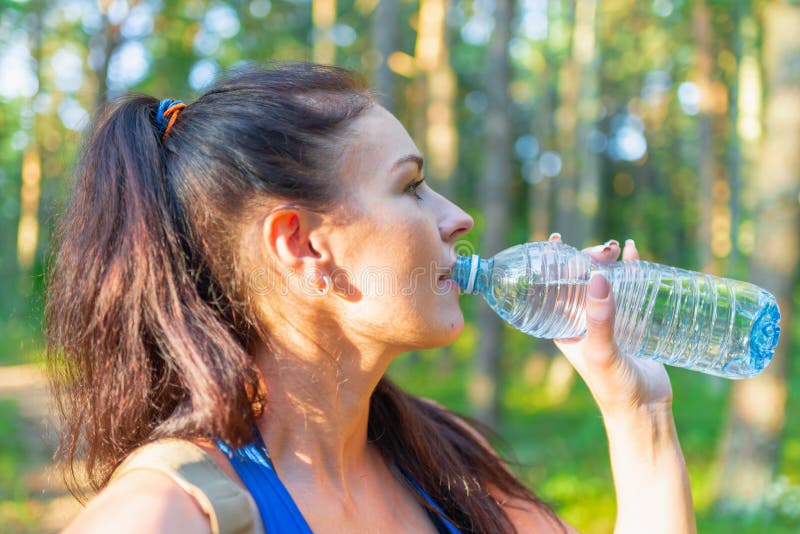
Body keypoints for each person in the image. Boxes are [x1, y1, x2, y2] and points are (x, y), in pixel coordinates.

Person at [46, 62, 695, 533]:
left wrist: (639, 413)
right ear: (301, 244)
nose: (459, 217)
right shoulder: (170, 512)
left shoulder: (445, 460)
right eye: (410, 187)